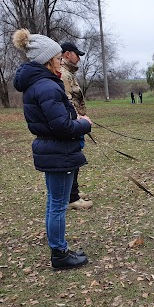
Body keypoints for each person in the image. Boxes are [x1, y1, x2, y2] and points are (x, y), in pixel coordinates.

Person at [13, 29, 91, 270]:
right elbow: (61, 125)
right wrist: (83, 124)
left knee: (54, 202)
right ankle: (59, 254)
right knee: (57, 204)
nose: (61, 62)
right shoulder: (46, 86)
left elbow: (56, 121)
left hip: (54, 150)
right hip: (58, 151)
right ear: (48, 60)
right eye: (58, 58)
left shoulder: (40, 84)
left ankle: (59, 248)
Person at [60, 42, 93, 210]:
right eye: (76, 54)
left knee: (75, 155)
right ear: (67, 54)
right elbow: (66, 101)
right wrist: (79, 118)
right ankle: (71, 197)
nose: (79, 58)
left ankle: (73, 191)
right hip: (72, 124)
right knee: (72, 157)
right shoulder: (63, 74)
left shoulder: (69, 73)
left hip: (77, 122)